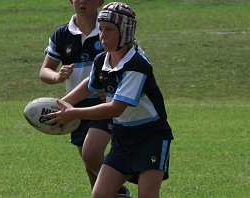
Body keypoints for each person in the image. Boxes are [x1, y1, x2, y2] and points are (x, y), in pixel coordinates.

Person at [44, 2, 174, 198]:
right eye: (101, 29)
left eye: (109, 30)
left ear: (126, 32)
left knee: (147, 195)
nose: (102, 35)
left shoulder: (136, 65)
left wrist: (72, 112)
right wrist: (60, 104)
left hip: (151, 137)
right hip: (123, 137)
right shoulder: (103, 60)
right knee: (100, 195)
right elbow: (89, 86)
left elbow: (115, 109)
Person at [39, 0, 130, 196]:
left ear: (99, 1)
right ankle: (108, 192)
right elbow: (44, 70)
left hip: (104, 104)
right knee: (89, 165)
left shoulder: (108, 30)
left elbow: (125, 64)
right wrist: (57, 76)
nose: (82, 1)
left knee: (91, 152)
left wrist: (114, 85)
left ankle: (118, 187)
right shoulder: (62, 34)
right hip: (75, 107)